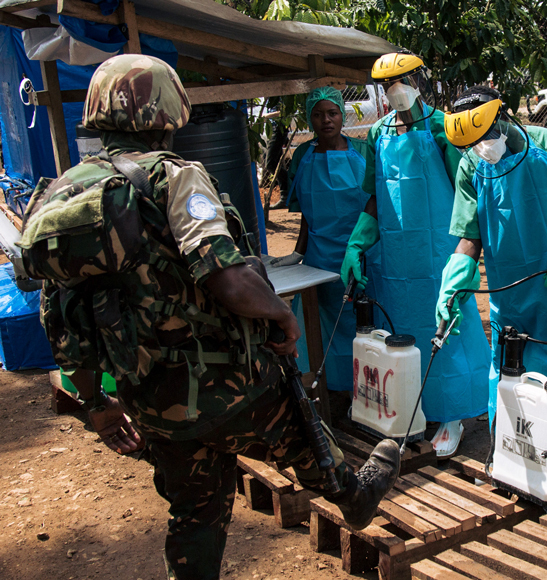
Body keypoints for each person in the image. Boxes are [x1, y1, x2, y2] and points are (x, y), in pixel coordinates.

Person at [28, 55, 400, 580]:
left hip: (148, 397)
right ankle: (352, 496)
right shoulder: (173, 178)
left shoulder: (62, 195)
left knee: (195, 512)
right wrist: (283, 317)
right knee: (298, 426)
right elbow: (227, 278)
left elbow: (65, 319)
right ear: (167, 111)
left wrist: (95, 405)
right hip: (226, 386)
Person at [438, 86, 547, 460]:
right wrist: (455, 277)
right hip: (506, 294)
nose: (481, 146)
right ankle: (512, 454)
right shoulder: (470, 165)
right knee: (508, 373)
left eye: (484, 135)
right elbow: (470, 235)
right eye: (472, 142)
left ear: (501, 117)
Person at [341, 52, 491, 457]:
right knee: (402, 333)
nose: (396, 90)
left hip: (440, 252)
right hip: (396, 258)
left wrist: (469, 252)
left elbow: (466, 190)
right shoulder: (378, 133)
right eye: (388, 84)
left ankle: (453, 414)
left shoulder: (443, 127)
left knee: (447, 331)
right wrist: (356, 243)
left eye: (403, 81)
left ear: (418, 80)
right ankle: (408, 408)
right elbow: (375, 195)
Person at [269, 86, 379, 396]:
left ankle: (368, 389)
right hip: (319, 256)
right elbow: (306, 211)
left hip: (363, 255)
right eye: (317, 115)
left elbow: (376, 202)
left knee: (364, 319)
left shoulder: (363, 150)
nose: (326, 120)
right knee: (323, 323)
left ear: (342, 115)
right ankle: (332, 388)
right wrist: (298, 252)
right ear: (309, 119)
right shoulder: (303, 155)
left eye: (332, 113)